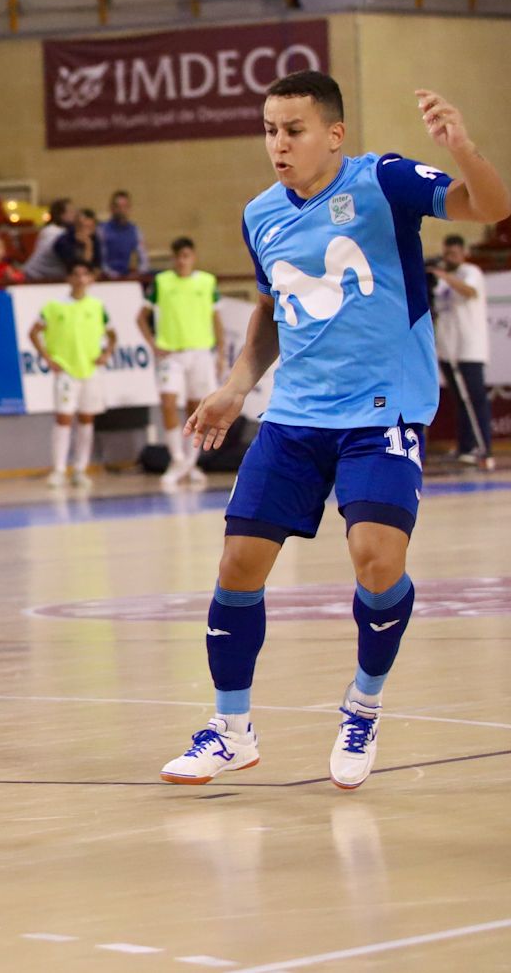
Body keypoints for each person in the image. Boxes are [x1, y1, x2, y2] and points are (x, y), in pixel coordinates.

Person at [160, 73, 510, 789]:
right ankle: (231, 729)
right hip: (295, 416)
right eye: (269, 130)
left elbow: (492, 207)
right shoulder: (261, 213)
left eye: (292, 129)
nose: (278, 144)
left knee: (376, 561)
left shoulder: (383, 181)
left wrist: (464, 149)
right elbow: (271, 311)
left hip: (383, 410)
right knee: (237, 565)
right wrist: (234, 388)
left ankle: (363, 703)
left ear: (333, 134)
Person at [139, 236, 224, 487]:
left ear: (193, 257)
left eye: (186, 256)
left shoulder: (207, 282)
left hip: (200, 352)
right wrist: (153, 344)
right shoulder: (161, 282)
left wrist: (220, 353)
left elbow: (217, 319)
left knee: (196, 409)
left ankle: (190, 463)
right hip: (171, 353)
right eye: (178, 257)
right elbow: (140, 317)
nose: (182, 261)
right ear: (173, 258)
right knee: (168, 402)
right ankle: (176, 458)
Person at [30, 260, 116, 489]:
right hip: (66, 370)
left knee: (87, 418)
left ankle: (80, 469)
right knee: (64, 418)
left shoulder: (97, 306)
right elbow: (34, 332)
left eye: (84, 274)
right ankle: (59, 470)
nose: (80, 279)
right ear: (68, 278)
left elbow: (113, 334)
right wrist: (47, 358)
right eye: (75, 274)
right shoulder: (54, 306)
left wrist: (106, 352)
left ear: (90, 278)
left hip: (90, 370)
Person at [431, 234, 493, 470]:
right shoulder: (442, 281)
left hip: (470, 348)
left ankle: (482, 447)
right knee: (461, 401)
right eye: (447, 253)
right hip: (449, 349)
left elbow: (469, 292)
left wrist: (444, 275)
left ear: (463, 252)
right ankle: (466, 447)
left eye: (453, 254)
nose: (449, 258)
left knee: (475, 399)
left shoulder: (471, 272)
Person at [99, 190, 147, 278]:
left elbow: (143, 258)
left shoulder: (135, 230)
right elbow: (100, 259)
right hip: (105, 278)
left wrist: (139, 272)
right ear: (111, 208)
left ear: (129, 208)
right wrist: (112, 274)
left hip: (126, 276)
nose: (121, 210)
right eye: (118, 207)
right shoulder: (102, 230)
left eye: (125, 206)